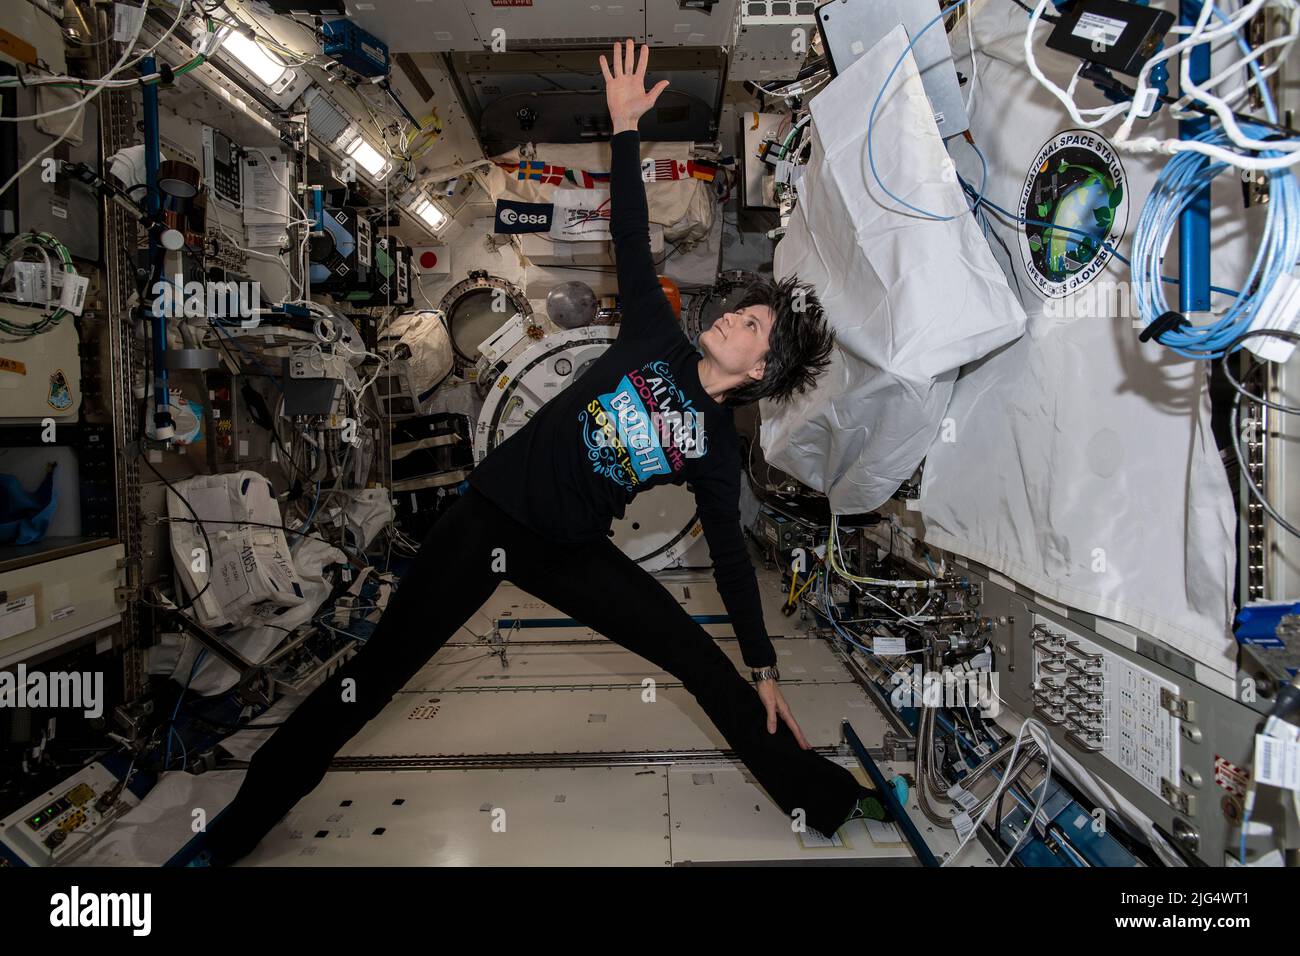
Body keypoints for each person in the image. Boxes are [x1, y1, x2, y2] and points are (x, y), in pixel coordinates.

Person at [197, 40, 883, 866]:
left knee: (701, 663)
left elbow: (731, 559)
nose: (735, 317)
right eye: (743, 311)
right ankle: (245, 820)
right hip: (486, 517)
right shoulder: (655, 335)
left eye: (753, 329)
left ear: (759, 372)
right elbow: (632, 233)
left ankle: (829, 800)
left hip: (569, 548)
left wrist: (764, 663)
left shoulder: (711, 445)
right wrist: (625, 132)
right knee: (374, 674)